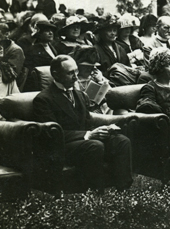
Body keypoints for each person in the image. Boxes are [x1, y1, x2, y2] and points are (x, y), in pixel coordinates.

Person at [33, 55, 133, 191]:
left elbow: (87, 122)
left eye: (76, 71)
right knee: (95, 145)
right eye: (70, 73)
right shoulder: (43, 99)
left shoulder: (80, 95)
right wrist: (88, 135)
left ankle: (123, 189)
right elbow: (52, 134)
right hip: (62, 146)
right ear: (56, 74)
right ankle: (96, 191)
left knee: (121, 141)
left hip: (84, 140)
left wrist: (104, 129)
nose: (75, 77)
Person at [0, 29, 20, 118]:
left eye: (2, 45)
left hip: (8, 111)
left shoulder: (6, 69)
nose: (1, 48)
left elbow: (16, 95)